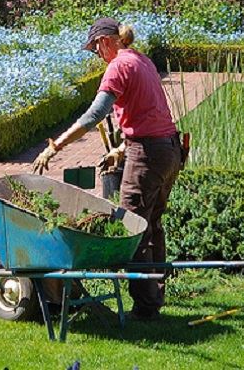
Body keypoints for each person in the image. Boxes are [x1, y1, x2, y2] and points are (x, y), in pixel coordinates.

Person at [32, 17, 182, 321]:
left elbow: (93, 116)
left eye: (95, 48)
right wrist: (120, 149)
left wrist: (55, 146)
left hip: (149, 153)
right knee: (151, 224)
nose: (97, 55)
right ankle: (156, 295)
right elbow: (150, 112)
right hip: (169, 149)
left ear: (104, 42)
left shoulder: (118, 66)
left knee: (133, 228)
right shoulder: (143, 60)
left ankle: (145, 307)